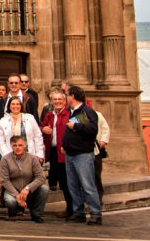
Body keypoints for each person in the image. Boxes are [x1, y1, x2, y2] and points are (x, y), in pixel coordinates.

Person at [63, 85, 101, 225]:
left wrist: (76, 126)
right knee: (73, 186)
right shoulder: (71, 111)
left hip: (83, 155)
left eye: (67, 95)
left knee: (87, 186)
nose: (66, 98)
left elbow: (92, 130)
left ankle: (95, 214)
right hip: (70, 154)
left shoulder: (86, 111)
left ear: (73, 96)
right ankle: (78, 213)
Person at [0, 135, 49, 223]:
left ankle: (36, 214)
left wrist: (28, 188)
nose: (17, 148)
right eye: (15, 145)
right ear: (11, 146)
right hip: (13, 190)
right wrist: (17, 195)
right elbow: (4, 180)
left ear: (24, 146)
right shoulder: (5, 159)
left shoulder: (33, 158)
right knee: (10, 201)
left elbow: (41, 177)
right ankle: (13, 213)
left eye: (20, 145)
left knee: (44, 188)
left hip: (29, 192)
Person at [40, 89, 72, 218]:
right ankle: (70, 209)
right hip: (53, 152)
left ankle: (73, 209)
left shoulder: (70, 114)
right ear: (51, 101)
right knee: (62, 182)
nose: (57, 101)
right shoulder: (49, 114)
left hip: (66, 152)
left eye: (60, 99)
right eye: (55, 99)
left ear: (64, 101)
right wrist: (43, 129)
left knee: (68, 182)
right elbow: (41, 126)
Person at [0, 97, 44, 161]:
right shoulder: (3, 121)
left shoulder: (30, 118)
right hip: (11, 157)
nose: (15, 106)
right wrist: (6, 156)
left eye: (17, 104)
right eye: (13, 104)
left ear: (21, 106)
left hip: (29, 155)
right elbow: (1, 140)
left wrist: (39, 154)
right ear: (9, 106)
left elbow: (38, 136)